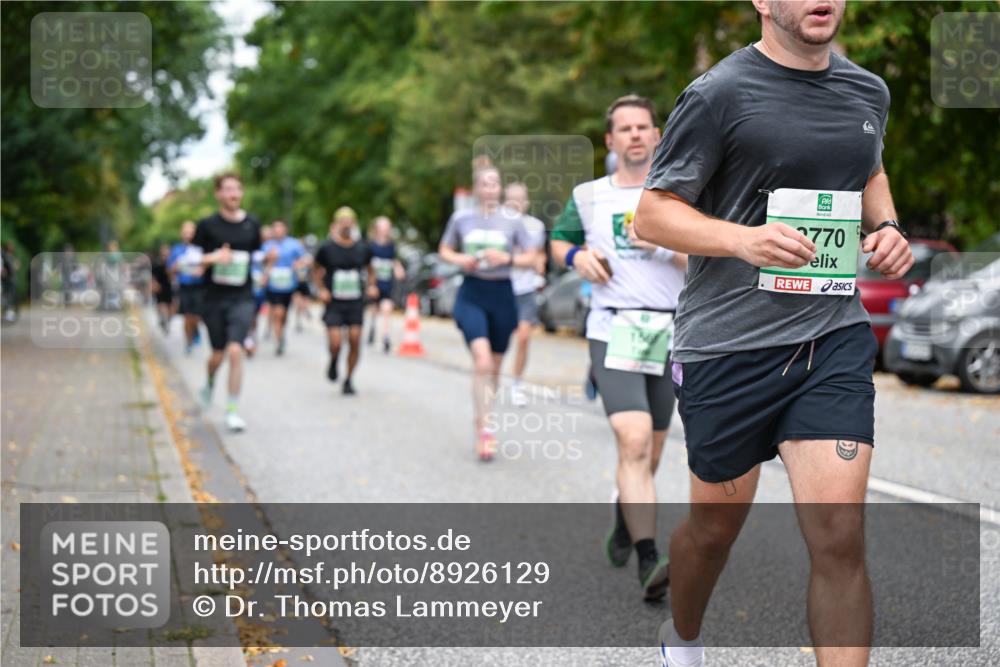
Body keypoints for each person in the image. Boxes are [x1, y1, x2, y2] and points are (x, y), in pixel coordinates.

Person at [632, 2, 914, 665]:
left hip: (830, 337)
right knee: (712, 532)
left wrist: (890, 227)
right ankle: (683, 636)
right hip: (728, 347)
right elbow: (651, 213)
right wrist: (743, 239)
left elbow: (867, 165)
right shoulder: (720, 92)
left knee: (840, 532)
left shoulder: (868, 89)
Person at [550, 94, 687, 602]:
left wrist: (666, 245)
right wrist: (575, 256)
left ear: (656, 135)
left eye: (642, 127)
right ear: (610, 141)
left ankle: (625, 519)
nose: (634, 134)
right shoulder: (589, 196)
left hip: (671, 333)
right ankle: (651, 559)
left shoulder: (680, 197)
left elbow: (711, 262)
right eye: (624, 128)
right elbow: (558, 240)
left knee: (649, 453)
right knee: (631, 441)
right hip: (612, 331)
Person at [439, 166, 540, 461]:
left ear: (500, 189)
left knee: (494, 367)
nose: (489, 188)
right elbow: (444, 249)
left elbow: (532, 256)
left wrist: (506, 258)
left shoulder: (513, 221)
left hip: (502, 295)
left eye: (494, 183)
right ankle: (485, 427)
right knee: (482, 361)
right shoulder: (461, 218)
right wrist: (462, 259)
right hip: (472, 293)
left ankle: (485, 414)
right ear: (476, 188)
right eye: (484, 183)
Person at [192, 173, 263, 433]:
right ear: (218, 194)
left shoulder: (252, 224)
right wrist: (213, 259)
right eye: (228, 189)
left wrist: (267, 261)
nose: (233, 194)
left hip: (242, 297)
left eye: (237, 189)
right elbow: (191, 260)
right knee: (218, 355)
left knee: (236, 351)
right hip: (213, 298)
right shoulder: (207, 225)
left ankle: (232, 410)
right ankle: (210, 383)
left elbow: (257, 256)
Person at [313, 207, 378, 395]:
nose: (347, 224)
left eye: (350, 221)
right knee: (335, 342)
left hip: (355, 301)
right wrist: (321, 289)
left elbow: (371, 269)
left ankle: (349, 379)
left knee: (355, 340)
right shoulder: (327, 248)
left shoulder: (363, 248)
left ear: (354, 224)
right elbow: (315, 269)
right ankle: (334, 361)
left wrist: (372, 286)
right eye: (343, 221)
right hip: (334, 302)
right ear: (336, 224)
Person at [502, 182, 548, 408]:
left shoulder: (536, 226)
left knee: (523, 337)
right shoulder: (498, 225)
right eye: (512, 199)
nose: (516, 204)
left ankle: (517, 383)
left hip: (525, 290)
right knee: (497, 341)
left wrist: (539, 266)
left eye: (520, 199)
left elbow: (539, 256)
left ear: (527, 202)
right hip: (501, 288)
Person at [262, 220, 309, 355]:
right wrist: (268, 259)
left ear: (285, 230)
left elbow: (305, 259)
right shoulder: (267, 245)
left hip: (288, 285)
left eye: (280, 228)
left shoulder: (293, 244)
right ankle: (279, 341)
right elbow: (261, 262)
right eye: (275, 228)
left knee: (284, 315)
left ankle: (281, 333)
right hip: (273, 285)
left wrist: (299, 263)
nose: (278, 231)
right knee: (277, 313)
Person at [366, 216, 405, 353]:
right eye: (383, 227)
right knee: (374, 309)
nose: (386, 230)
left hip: (387, 283)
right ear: (377, 229)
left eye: (388, 227)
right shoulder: (371, 246)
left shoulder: (391, 246)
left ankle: (385, 337)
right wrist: (370, 283)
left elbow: (394, 260)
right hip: (374, 283)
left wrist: (398, 268)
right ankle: (372, 328)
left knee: (387, 309)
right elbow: (366, 265)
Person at [167, 221, 205, 354]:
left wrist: (203, 268)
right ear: (182, 234)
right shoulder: (177, 250)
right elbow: (170, 271)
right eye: (186, 233)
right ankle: (188, 341)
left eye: (191, 232)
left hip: (200, 286)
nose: (189, 235)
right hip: (185, 286)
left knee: (197, 316)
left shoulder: (201, 248)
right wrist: (175, 267)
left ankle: (195, 330)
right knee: (187, 316)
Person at [245, 224, 273, 357]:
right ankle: (247, 340)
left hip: (258, 288)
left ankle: (251, 337)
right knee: (245, 314)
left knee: (254, 316)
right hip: (244, 287)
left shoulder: (267, 250)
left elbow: (269, 265)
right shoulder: (247, 246)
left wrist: (265, 276)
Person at [150, 244, 174, 334]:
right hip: (159, 286)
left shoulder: (172, 264)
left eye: (167, 254)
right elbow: (152, 276)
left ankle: (166, 320)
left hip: (169, 286)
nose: (166, 256)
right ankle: (162, 318)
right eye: (164, 254)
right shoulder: (157, 264)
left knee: (170, 305)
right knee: (160, 304)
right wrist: (154, 284)